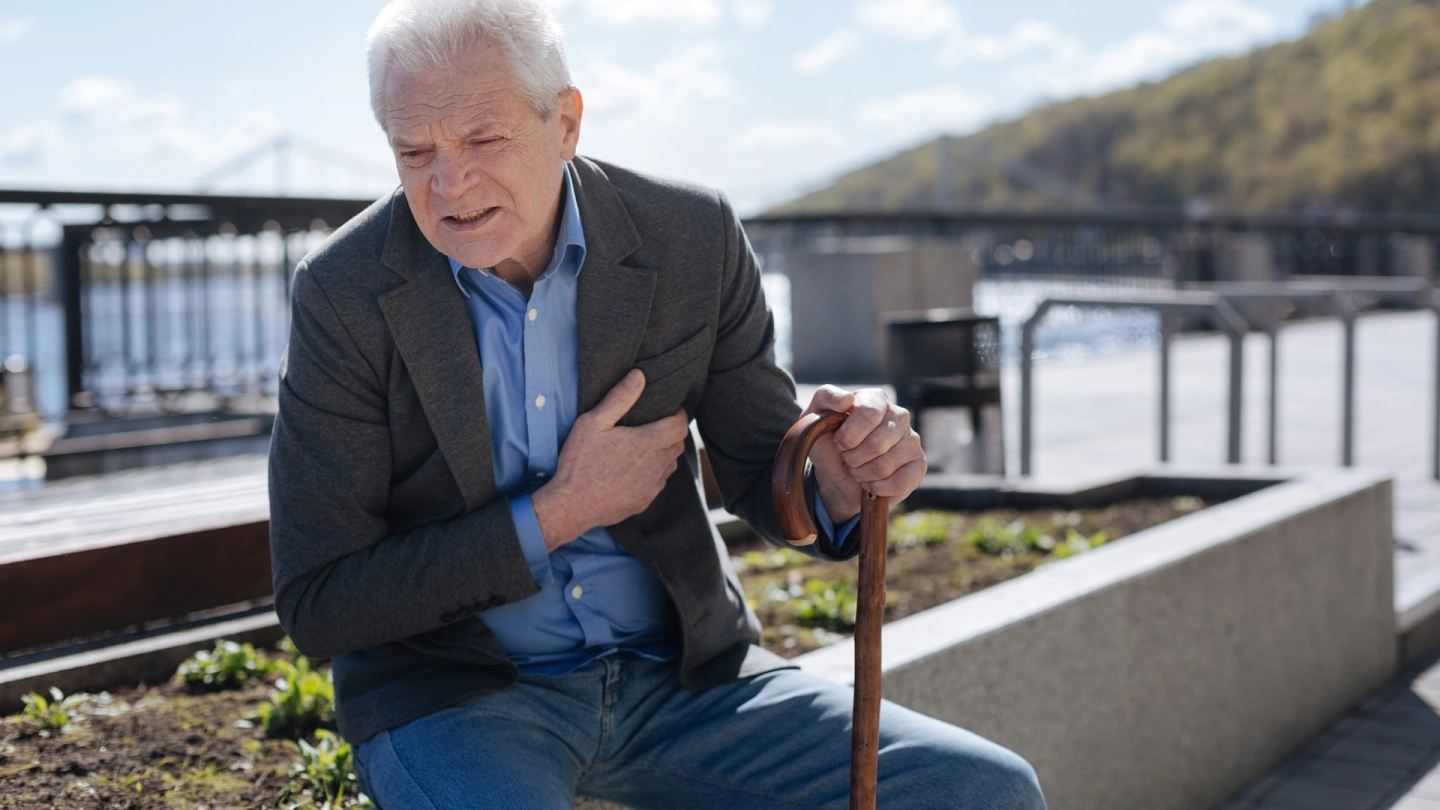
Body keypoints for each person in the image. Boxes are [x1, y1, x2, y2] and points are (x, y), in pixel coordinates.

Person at [267, 0, 1046, 807]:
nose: (448, 182)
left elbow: (763, 468)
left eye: (483, 139)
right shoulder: (342, 293)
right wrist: (558, 512)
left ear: (565, 123)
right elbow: (322, 601)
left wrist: (839, 482)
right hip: (458, 697)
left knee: (987, 791)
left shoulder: (692, 236)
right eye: (414, 150)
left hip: (687, 679)